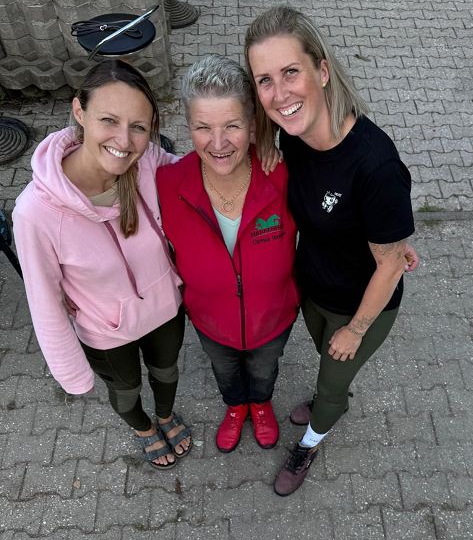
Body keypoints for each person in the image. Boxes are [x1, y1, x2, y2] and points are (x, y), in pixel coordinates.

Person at [245, 6, 417, 496]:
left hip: (360, 306)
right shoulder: (295, 136)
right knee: (327, 362)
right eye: (265, 80)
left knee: (333, 381)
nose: (280, 94)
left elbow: (390, 264)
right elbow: (264, 122)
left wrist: (356, 329)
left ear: (322, 71)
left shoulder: (374, 164)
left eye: (291, 72)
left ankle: (313, 438)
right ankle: (328, 394)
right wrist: (267, 142)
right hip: (314, 289)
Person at [13, 60, 191, 470]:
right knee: (126, 391)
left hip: (165, 308)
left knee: (167, 372)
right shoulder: (35, 213)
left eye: (138, 127)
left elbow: (191, 172)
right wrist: (72, 374)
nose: (124, 141)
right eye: (109, 120)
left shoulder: (146, 162)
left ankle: (165, 415)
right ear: (79, 111)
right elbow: (44, 302)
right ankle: (144, 428)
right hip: (107, 334)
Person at [156, 55, 300, 453]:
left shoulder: (282, 176)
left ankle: (261, 404)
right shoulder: (166, 184)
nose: (218, 144)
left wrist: (386, 241)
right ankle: (236, 407)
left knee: (264, 369)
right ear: (188, 127)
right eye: (203, 127)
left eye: (232, 126)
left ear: (252, 125)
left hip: (273, 319)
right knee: (224, 370)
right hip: (210, 322)